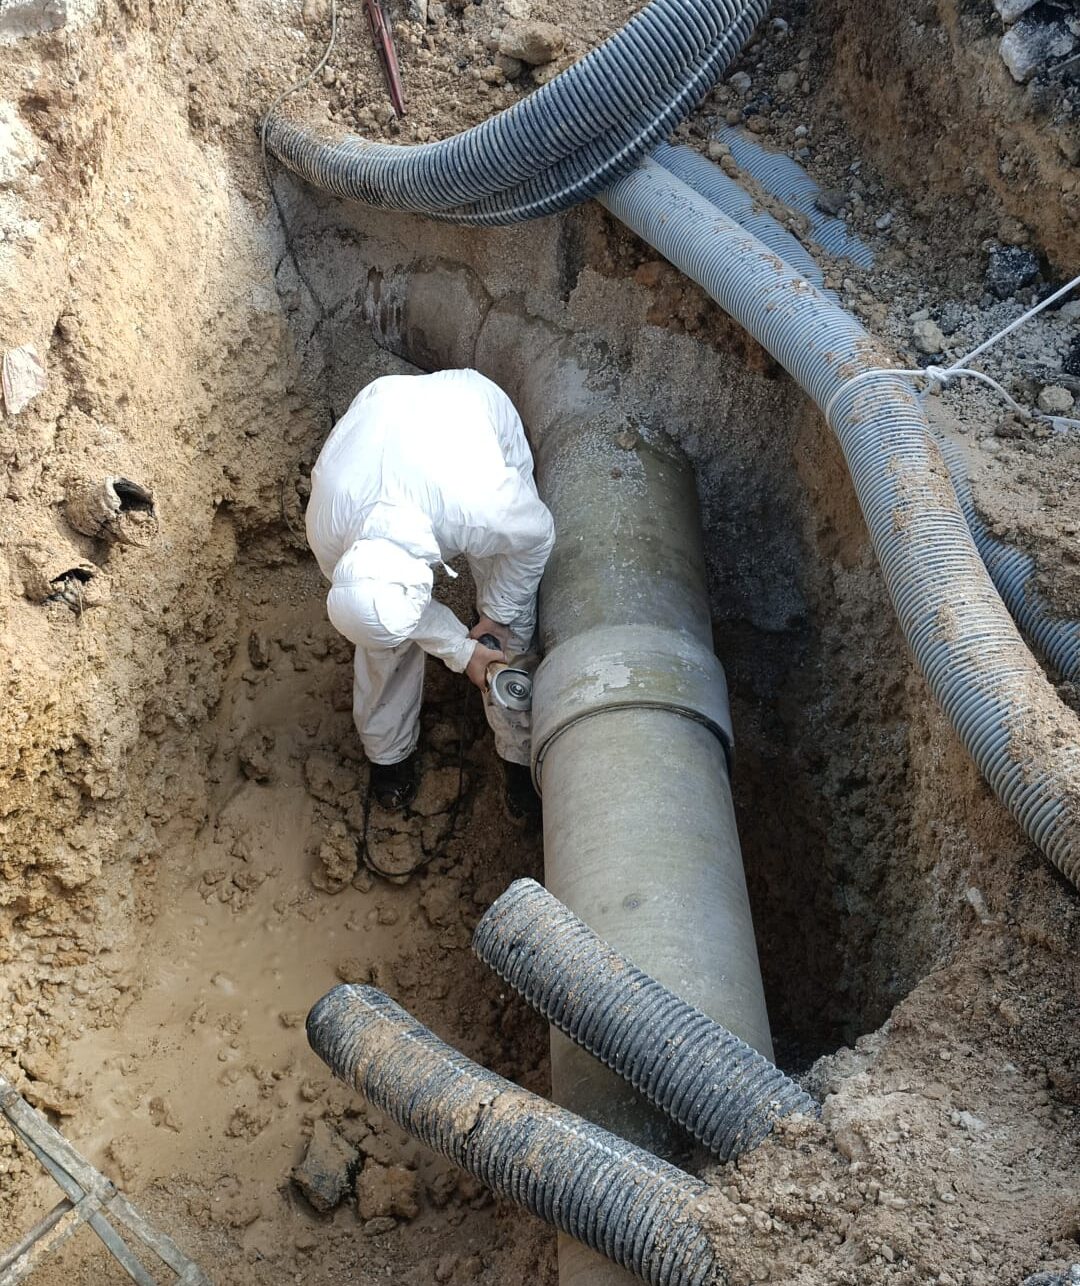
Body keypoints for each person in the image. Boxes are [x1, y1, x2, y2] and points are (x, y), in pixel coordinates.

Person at [305, 368, 555, 817]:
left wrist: (494, 617)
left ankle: (519, 755)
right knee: (383, 641)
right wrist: (460, 651)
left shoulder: (482, 508)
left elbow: (535, 537)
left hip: (471, 407)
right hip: (380, 410)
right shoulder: (328, 529)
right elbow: (395, 614)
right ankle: (389, 755)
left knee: (512, 627)